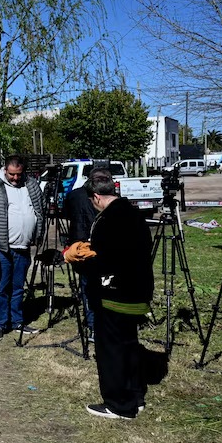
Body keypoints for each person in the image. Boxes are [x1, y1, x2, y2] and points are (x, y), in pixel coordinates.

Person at [77, 168, 154, 420]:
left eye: (92, 202)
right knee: (130, 345)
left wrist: (79, 260)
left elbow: (104, 260)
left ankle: (118, 405)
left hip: (114, 295)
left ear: (97, 197)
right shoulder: (135, 214)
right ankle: (135, 397)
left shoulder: (107, 220)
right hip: (138, 292)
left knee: (111, 350)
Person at [0, 155, 45, 341]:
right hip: (2, 247)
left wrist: (37, 233)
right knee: (1, 287)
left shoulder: (31, 185)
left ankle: (17, 321)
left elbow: (41, 209)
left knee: (18, 287)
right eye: (12, 174)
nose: (15, 178)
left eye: (19, 174)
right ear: (5, 170)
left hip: (24, 246)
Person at [63, 181, 97, 341]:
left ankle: (92, 324)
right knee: (90, 285)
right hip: (89, 245)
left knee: (86, 285)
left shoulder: (74, 195)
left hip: (78, 243)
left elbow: (65, 214)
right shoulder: (95, 196)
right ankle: (93, 324)